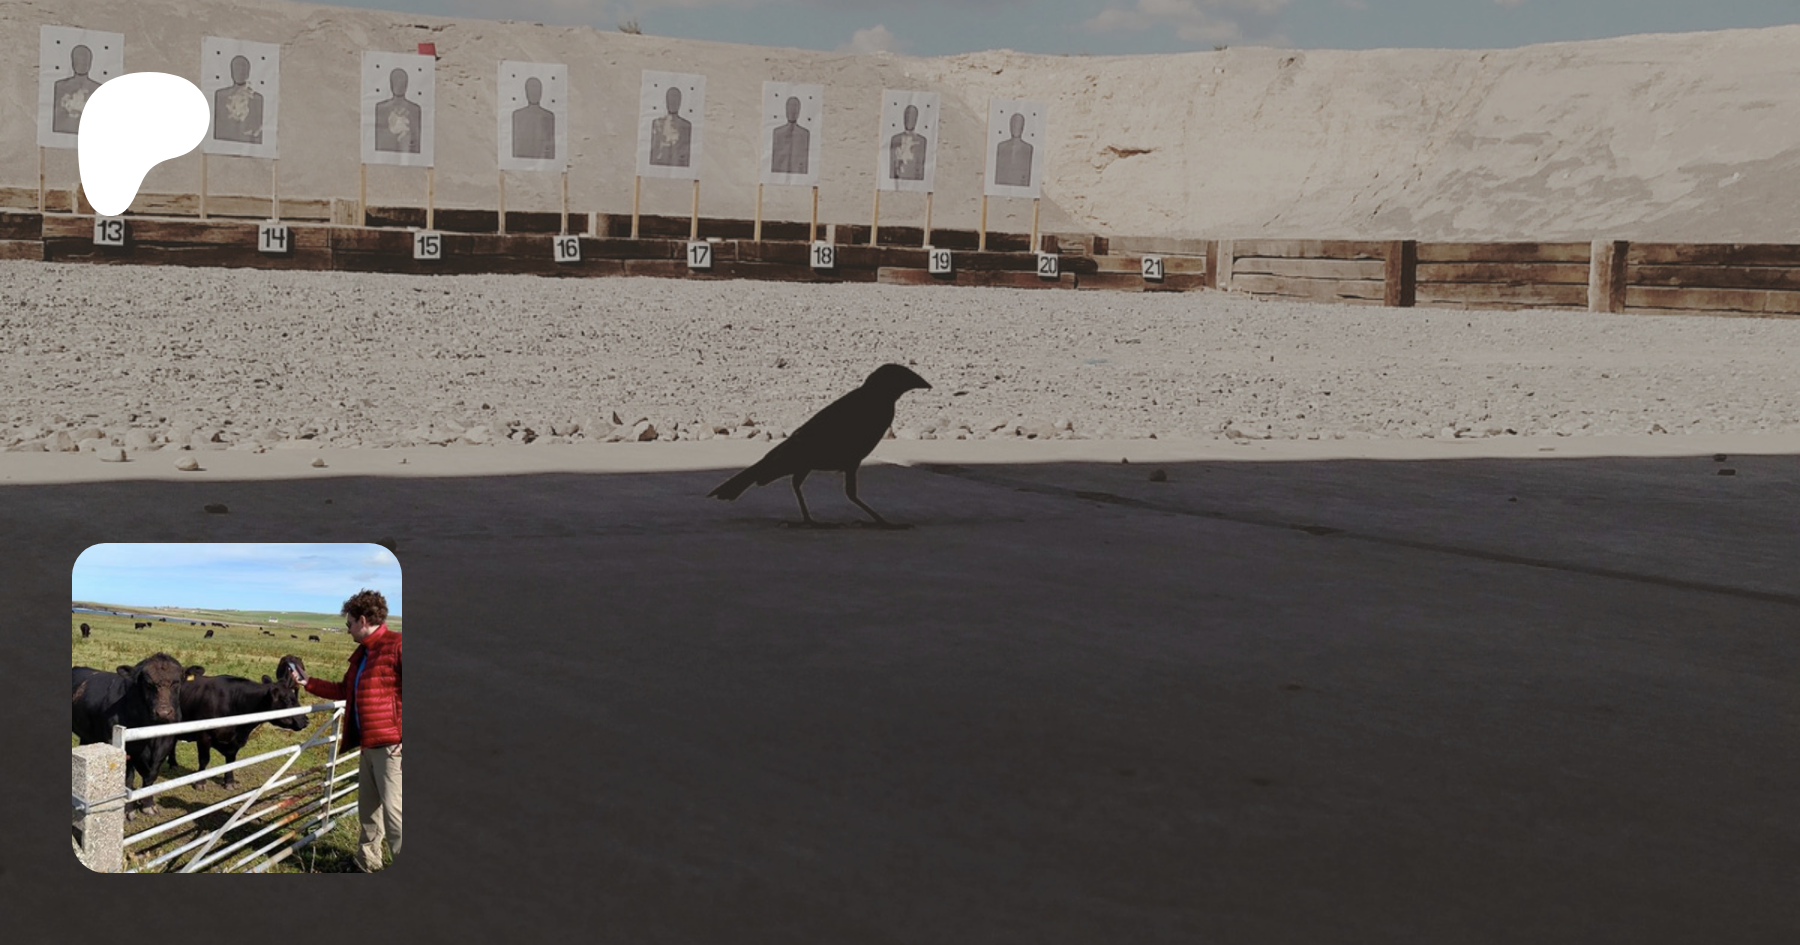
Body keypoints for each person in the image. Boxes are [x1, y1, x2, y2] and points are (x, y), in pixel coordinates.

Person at [292, 588, 402, 872]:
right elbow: (344, 691)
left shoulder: (397, 645)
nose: (348, 629)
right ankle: (367, 863)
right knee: (369, 811)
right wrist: (308, 682)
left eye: (349, 623)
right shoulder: (363, 654)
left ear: (363, 620)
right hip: (369, 744)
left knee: (396, 817)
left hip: (393, 748)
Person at [212, 54, 264, 144]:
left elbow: (258, 129)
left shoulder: (257, 99)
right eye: (236, 68)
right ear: (231, 71)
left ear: (248, 72)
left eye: (243, 69)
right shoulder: (220, 95)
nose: (240, 72)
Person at [375, 68, 421, 153]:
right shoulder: (380, 108)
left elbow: (416, 139)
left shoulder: (415, 109)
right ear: (391, 84)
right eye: (396, 81)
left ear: (406, 84)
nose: (399, 84)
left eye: (402, 82)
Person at [650, 85, 692, 167]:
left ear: (680, 102)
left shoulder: (686, 126)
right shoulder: (657, 124)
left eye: (676, 99)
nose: (673, 102)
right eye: (671, 99)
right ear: (666, 101)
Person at [770, 95, 809, 175]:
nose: (792, 111)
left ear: (799, 111)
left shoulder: (804, 134)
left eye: (795, 108)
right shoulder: (777, 133)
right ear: (786, 109)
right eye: (790, 107)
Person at [994, 112, 1033, 187]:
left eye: (1018, 124)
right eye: (1014, 124)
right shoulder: (1001, 146)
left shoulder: (1028, 148)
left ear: (1022, 127)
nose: (1016, 127)